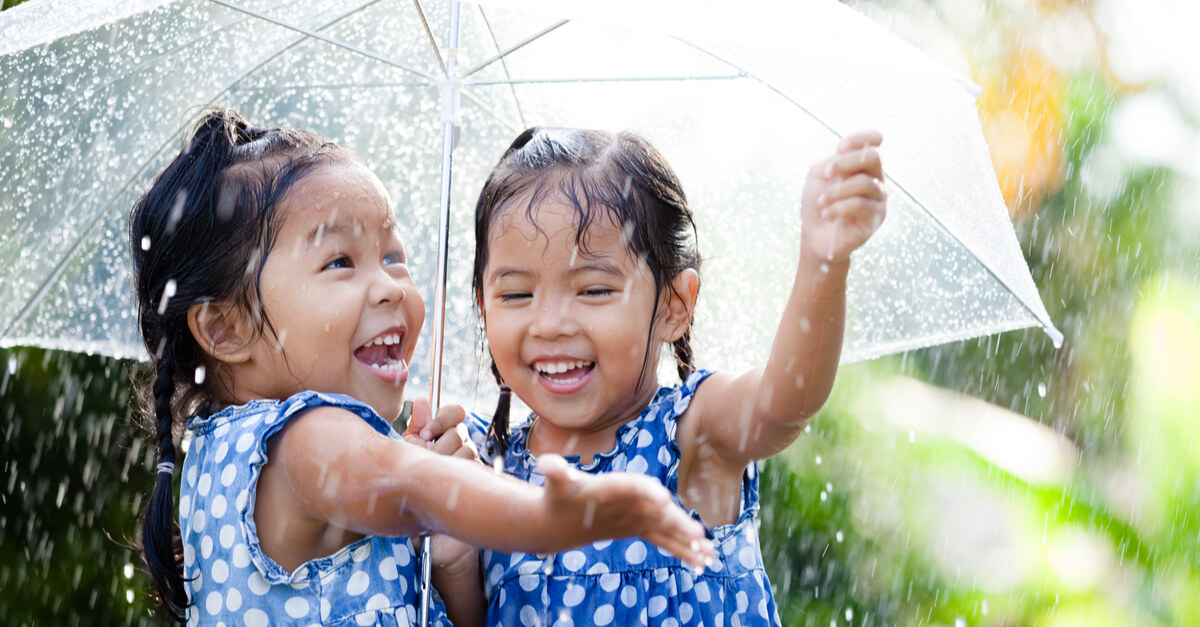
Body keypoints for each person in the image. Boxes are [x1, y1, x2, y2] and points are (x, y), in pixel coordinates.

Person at [128, 109, 714, 626]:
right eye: (339, 261)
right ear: (225, 329)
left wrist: (449, 552)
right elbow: (414, 488)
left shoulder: (224, 454)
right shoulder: (305, 438)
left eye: (392, 255)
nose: (390, 287)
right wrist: (545, 512)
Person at [467, 127, 886, 625]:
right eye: (516, 295)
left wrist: (823, 262)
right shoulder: (481, 469)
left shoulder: (691, 435)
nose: (551, 324)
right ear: (483, 308)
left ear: (675, 305)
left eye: (594, 290)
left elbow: (784, 402)